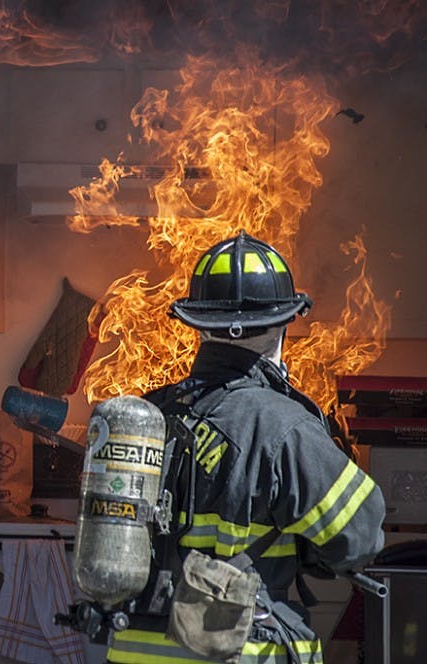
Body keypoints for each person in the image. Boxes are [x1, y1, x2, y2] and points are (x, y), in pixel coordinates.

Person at [105, 232, 386, 664]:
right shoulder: (281, 426)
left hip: (132, 652)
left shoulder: (147, 416)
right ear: (282, 324)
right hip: (238, 651)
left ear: (199, 327)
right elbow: (360, 536)